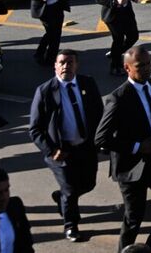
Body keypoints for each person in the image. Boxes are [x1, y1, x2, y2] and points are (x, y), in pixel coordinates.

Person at [94, 46, 151, 253]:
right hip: (131, 169)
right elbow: (100, 138)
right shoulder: (118, 98)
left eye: (149, 64)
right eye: (141, 66)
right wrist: (137, 146)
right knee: (134, 219)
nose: (147, 69)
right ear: (127, 68)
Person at [28, 48, 103, 242]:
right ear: (55, 66)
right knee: (70, 190)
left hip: (85, 147)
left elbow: (98, 113)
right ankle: (71, 226)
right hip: (61, 152)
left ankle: (61, 198)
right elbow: (35, 129)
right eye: (62, 62)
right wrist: (52, 150)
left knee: (88, 184)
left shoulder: (88, 83)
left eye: (70, 62)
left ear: (76, 65)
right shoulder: (45, 91)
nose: (66, 66)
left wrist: (101, 140)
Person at [94, 0, 140, 76]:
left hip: (127, 11)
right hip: (112, 14)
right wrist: (115, 2)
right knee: (118, 39)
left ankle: (115, 52)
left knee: (133, 36)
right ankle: (115, 66)